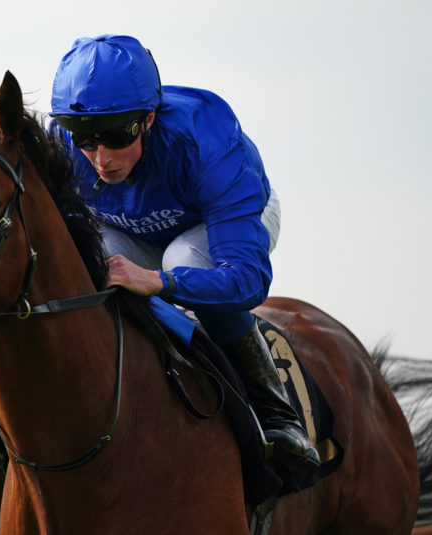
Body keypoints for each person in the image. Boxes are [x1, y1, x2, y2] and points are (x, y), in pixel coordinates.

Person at [50, 34, 320, 477]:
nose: (101, 158)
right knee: (87, 264)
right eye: (84, 139)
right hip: (131, 227)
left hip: (225, 222)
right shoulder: (63, 144)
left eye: (116, 136)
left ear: (149, 118)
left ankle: (276, 411)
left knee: (182, 261)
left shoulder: (205, 140)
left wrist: (160, 282)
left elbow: (247, 280)